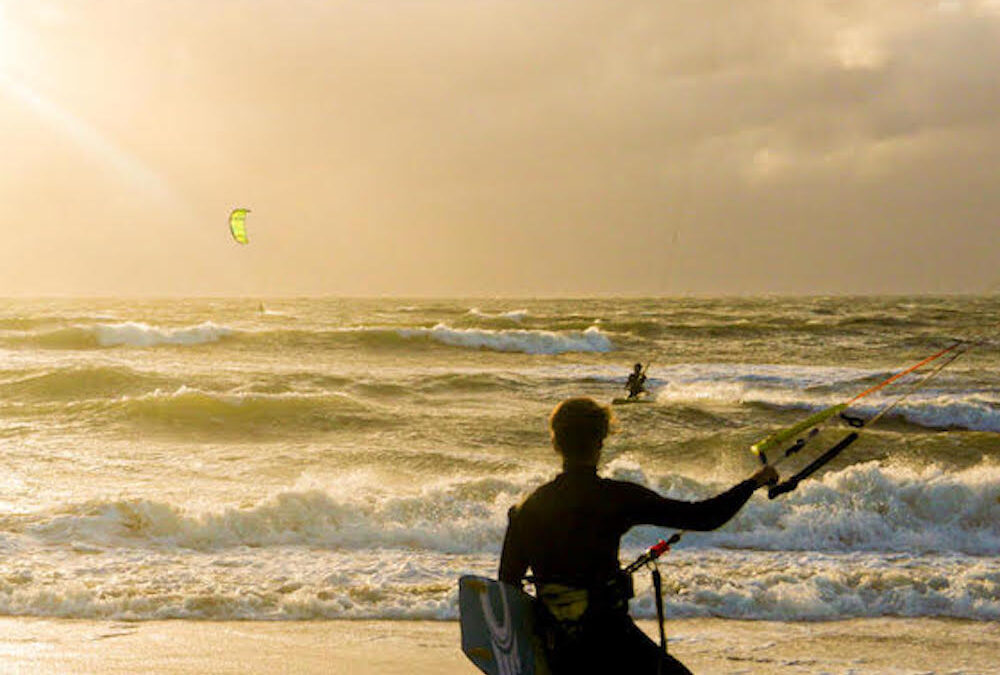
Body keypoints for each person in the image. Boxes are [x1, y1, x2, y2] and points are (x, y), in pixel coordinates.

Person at [499, 397, 777, 674]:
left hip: (559, 651)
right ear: (601, 441)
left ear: (555, 442)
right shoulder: (616, 498)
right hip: (612, 641)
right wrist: (752, 483)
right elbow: (704, 517)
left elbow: (507, 588)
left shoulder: (526, 509)